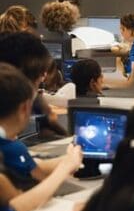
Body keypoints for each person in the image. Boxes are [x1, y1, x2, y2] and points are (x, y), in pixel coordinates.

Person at [0, 62, 80, 191]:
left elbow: (33, 166)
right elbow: (39, 178)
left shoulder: (10, 146)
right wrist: (67, 165)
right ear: (25, 108)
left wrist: (70, 159)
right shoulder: (12, 148)